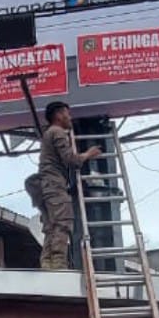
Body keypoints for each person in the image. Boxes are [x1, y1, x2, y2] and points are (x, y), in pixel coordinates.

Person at [35, 101, 101, 270]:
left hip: (46, 186)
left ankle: (47, 263)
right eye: (67, 113)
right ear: (58, 115)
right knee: (62, 223)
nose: (69, 117)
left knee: (51, 226)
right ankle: (57, 264)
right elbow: (71, 160)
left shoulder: (48, 134)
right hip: (54, 185)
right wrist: (88, 154)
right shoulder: (57, 132)